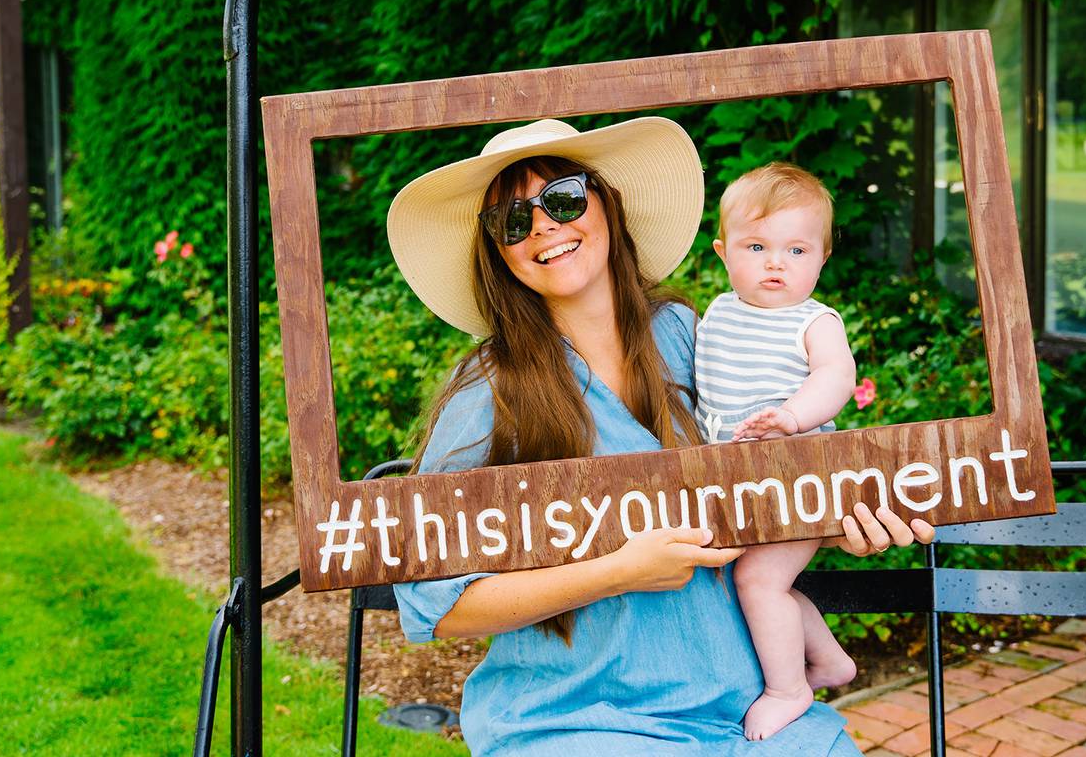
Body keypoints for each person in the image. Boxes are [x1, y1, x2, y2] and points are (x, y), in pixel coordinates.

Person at [385, 118, 933, 755]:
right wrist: (617, 571)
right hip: (575, 720)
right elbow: (437, 605)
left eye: (562, 199)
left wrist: (839, 516)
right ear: (500, 252)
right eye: (512, 222)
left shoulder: (684, 333)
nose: (542, 227)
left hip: (739, 710)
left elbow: (765, 471)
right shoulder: (491, 388)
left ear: (606, 205)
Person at [696, 162, 859, 740]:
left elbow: (836, 378)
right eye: (757, 245)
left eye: (796, 250)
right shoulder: (715, 314)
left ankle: (788, 689)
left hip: (797, 480)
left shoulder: (814, 322)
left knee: (758, 583)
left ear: (821, 257)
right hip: (737, 487)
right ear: (723, 251)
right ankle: (830, 660)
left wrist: (792, 417)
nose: (775, 263)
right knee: (766, 583)